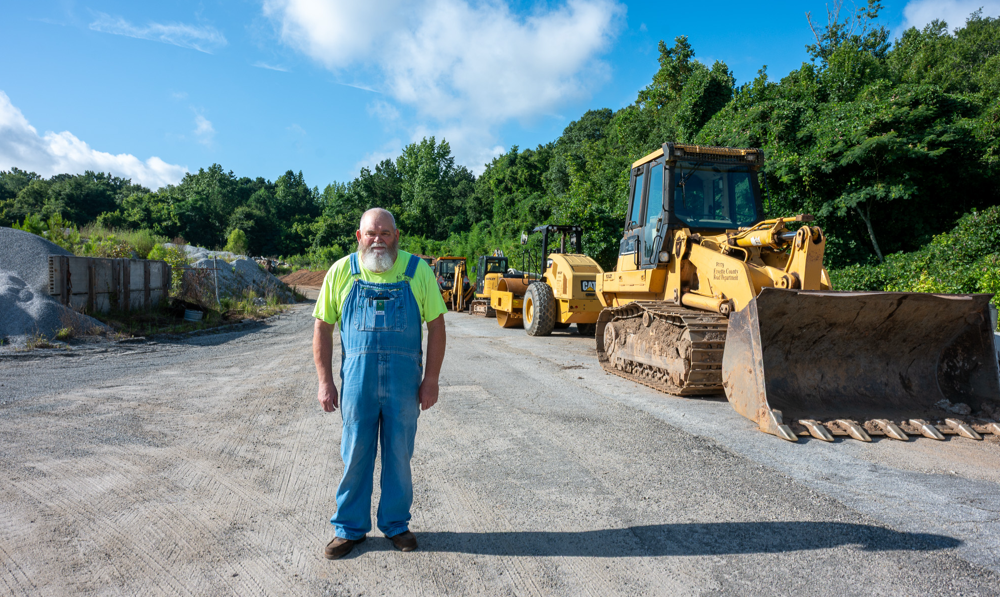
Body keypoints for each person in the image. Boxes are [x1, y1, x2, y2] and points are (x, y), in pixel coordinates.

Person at [312, 208, 447, 560]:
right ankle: (349, 529)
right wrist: (325, 381)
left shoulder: (418, 271)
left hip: (404, 384)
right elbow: (322, 328)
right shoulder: (341, 272)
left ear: (396, 236)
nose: (378, 240)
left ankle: (396, 525)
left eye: (385, 233)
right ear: (359, 237)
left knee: (399, 455)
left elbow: (437, 327)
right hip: (358, 382)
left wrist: (430, 379)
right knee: (355, 452)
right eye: (371, 233)